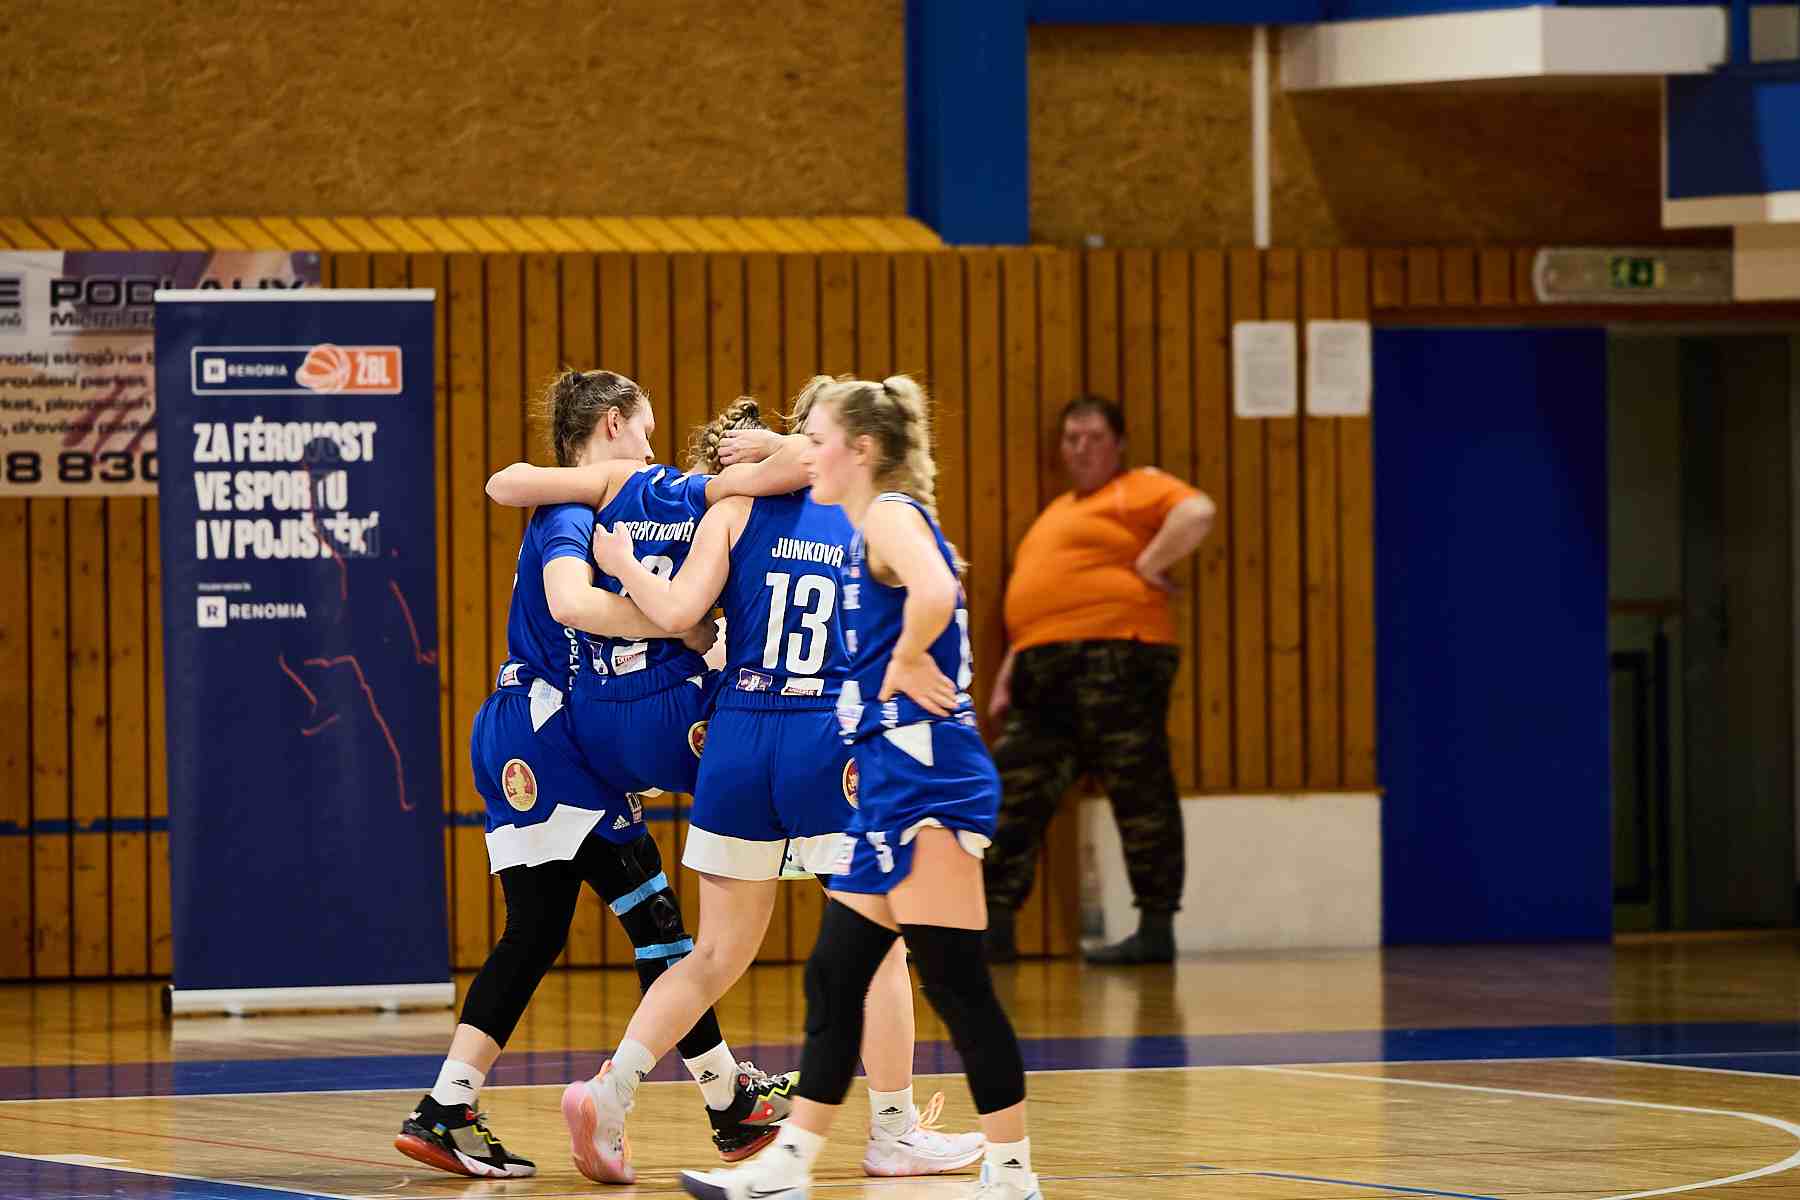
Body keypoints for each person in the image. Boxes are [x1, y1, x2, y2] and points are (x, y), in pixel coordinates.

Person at [530, 386, 984, 1184]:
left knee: (711, 954)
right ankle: (894, 1132)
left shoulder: (731, 513)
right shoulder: (864, 513)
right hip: (824, 736)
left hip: (738, 736)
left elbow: (677, 612)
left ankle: (611, 1091)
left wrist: (624, 564)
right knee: (879, 948)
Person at [393, 371, 793, 1180]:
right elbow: (571, 604)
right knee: (649, 929)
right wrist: (682, 624)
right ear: (612, 424)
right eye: (644, 430)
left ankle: (448, 1105)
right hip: (549, 739)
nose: (651, 447)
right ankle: (726, 1104)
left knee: (556, 929)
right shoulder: (573, 513)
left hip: (538, 733)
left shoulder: (595, 504)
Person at [677, 376, 1043, 1200]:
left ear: (863, 450)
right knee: (836, 977)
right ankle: (789, 1164)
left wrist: (907, 661)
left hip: (931, 782)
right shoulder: (861, 521)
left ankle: (1014, 1175)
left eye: (819, 441)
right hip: (891, 780)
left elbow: (938, 590)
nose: (805, 455)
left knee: (957, 985)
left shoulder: (887, 514)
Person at [982, 395, 1216, 966]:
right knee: (1014, 789)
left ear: (1119, 444)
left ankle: (1155, 929)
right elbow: (1033, 604)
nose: (1081, 448)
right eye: (1071, 438)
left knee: (1140, 787)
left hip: (1117, 656)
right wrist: (1011, 667)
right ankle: (993, 928)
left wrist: (1148, 565)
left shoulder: (1139, 487)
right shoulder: (1056, 513)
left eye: (1093, 437)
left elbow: (1198, 512)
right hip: (1041, 670)